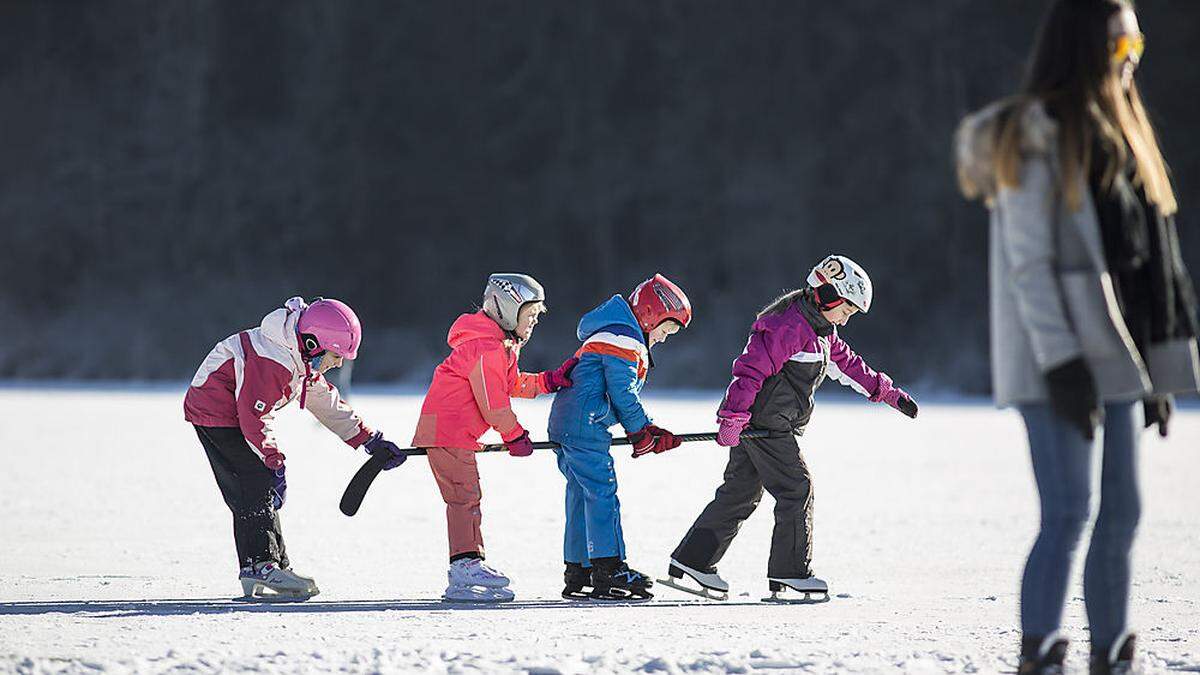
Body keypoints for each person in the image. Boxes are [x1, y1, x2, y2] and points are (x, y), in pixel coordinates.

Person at [956, 1, 1199, 671]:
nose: (1133, 63)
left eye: (1139, 49)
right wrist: (1062, 363)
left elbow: (1143, 270)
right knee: (1069, 512)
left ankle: (1113, 654)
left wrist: (1157, 372)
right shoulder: (1037, 136)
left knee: (1123, 512)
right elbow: (1028, 265)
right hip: (1055, 357)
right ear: (1091, 48)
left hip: (1118, 356)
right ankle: (1040, 655)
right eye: (1123, 49)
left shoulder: (1123, 138)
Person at [663, 255, 917, 602]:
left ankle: (693, 560)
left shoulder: (821, 332)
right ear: (825, 295)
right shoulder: (788, 327)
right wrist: (732, 417)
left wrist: (886, 391)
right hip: (767, 424)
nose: (846, 317)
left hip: (765, 423)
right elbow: (749, 371)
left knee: (740, 492)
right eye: (846, 309)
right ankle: (791, 572)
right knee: (797, 488)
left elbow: (849, 366)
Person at [184, 297, 407, 601]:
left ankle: (271, 565)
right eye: (336, 355)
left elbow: (324, 401)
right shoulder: (273, 359)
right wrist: (274, 463)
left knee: (258, 482)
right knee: (256, 480)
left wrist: (368, 438)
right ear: (314, 344)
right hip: (217, 412)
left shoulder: (296, 357)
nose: (339, 363)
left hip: (236, 413)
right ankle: (260, 566)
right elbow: (254, 415)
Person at [412, 273, 579, 603]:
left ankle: (467, 564)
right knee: (464, 497)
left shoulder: (496, 346)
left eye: (535, 318)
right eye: (529, 316)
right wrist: (514, 435)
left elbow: (511, 385)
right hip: (449, 432)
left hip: (454, 433)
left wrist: (548, 381)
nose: (532, 324)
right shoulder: (486, 348)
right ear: (506, 310)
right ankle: (464, 568)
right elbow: (494, 404)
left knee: (467, 496)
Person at [547, 273, 691, 601]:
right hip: (585, 426)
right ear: (652, 315)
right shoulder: (624, 337)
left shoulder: (613, 331)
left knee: (581, 494)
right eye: (666, 329)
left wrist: (646, 427)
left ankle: (580, 569)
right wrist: (640, 430)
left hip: (570, 423)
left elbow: (618, 395)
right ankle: (608, 569)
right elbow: (622, 392)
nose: (665, 339)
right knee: (602, 492)